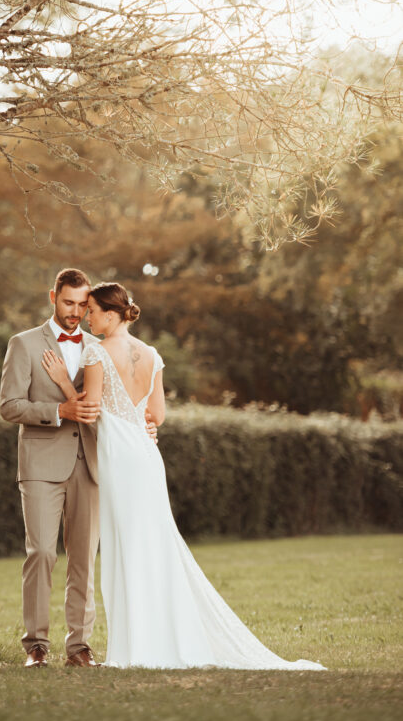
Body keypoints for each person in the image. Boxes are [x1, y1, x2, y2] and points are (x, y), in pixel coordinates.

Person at [42, 281, 326, 671]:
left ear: (110, 314)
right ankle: (156, 641)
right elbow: (156, 417)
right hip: (145, 457)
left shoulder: (95, 352)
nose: (87, 317)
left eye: (91, 310)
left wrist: (61, 381)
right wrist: (134, 422)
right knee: (153, 545)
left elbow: (88, 410)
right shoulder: (152, 355)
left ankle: (137, 647)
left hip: (120, 461)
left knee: (128, 548)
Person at [0, 268, 156, 668]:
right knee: (41, 553)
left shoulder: (99, 345)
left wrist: (145, 426)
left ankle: (79, 647)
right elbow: (9, 406)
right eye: (68, 303)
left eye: (82, 305)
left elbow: (121, 403)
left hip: (91, 463)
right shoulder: (24, 344)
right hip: (40, 465)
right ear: (52, 295)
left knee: (84, 557)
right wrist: (58, 410)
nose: (75, 312)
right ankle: (35, 645)